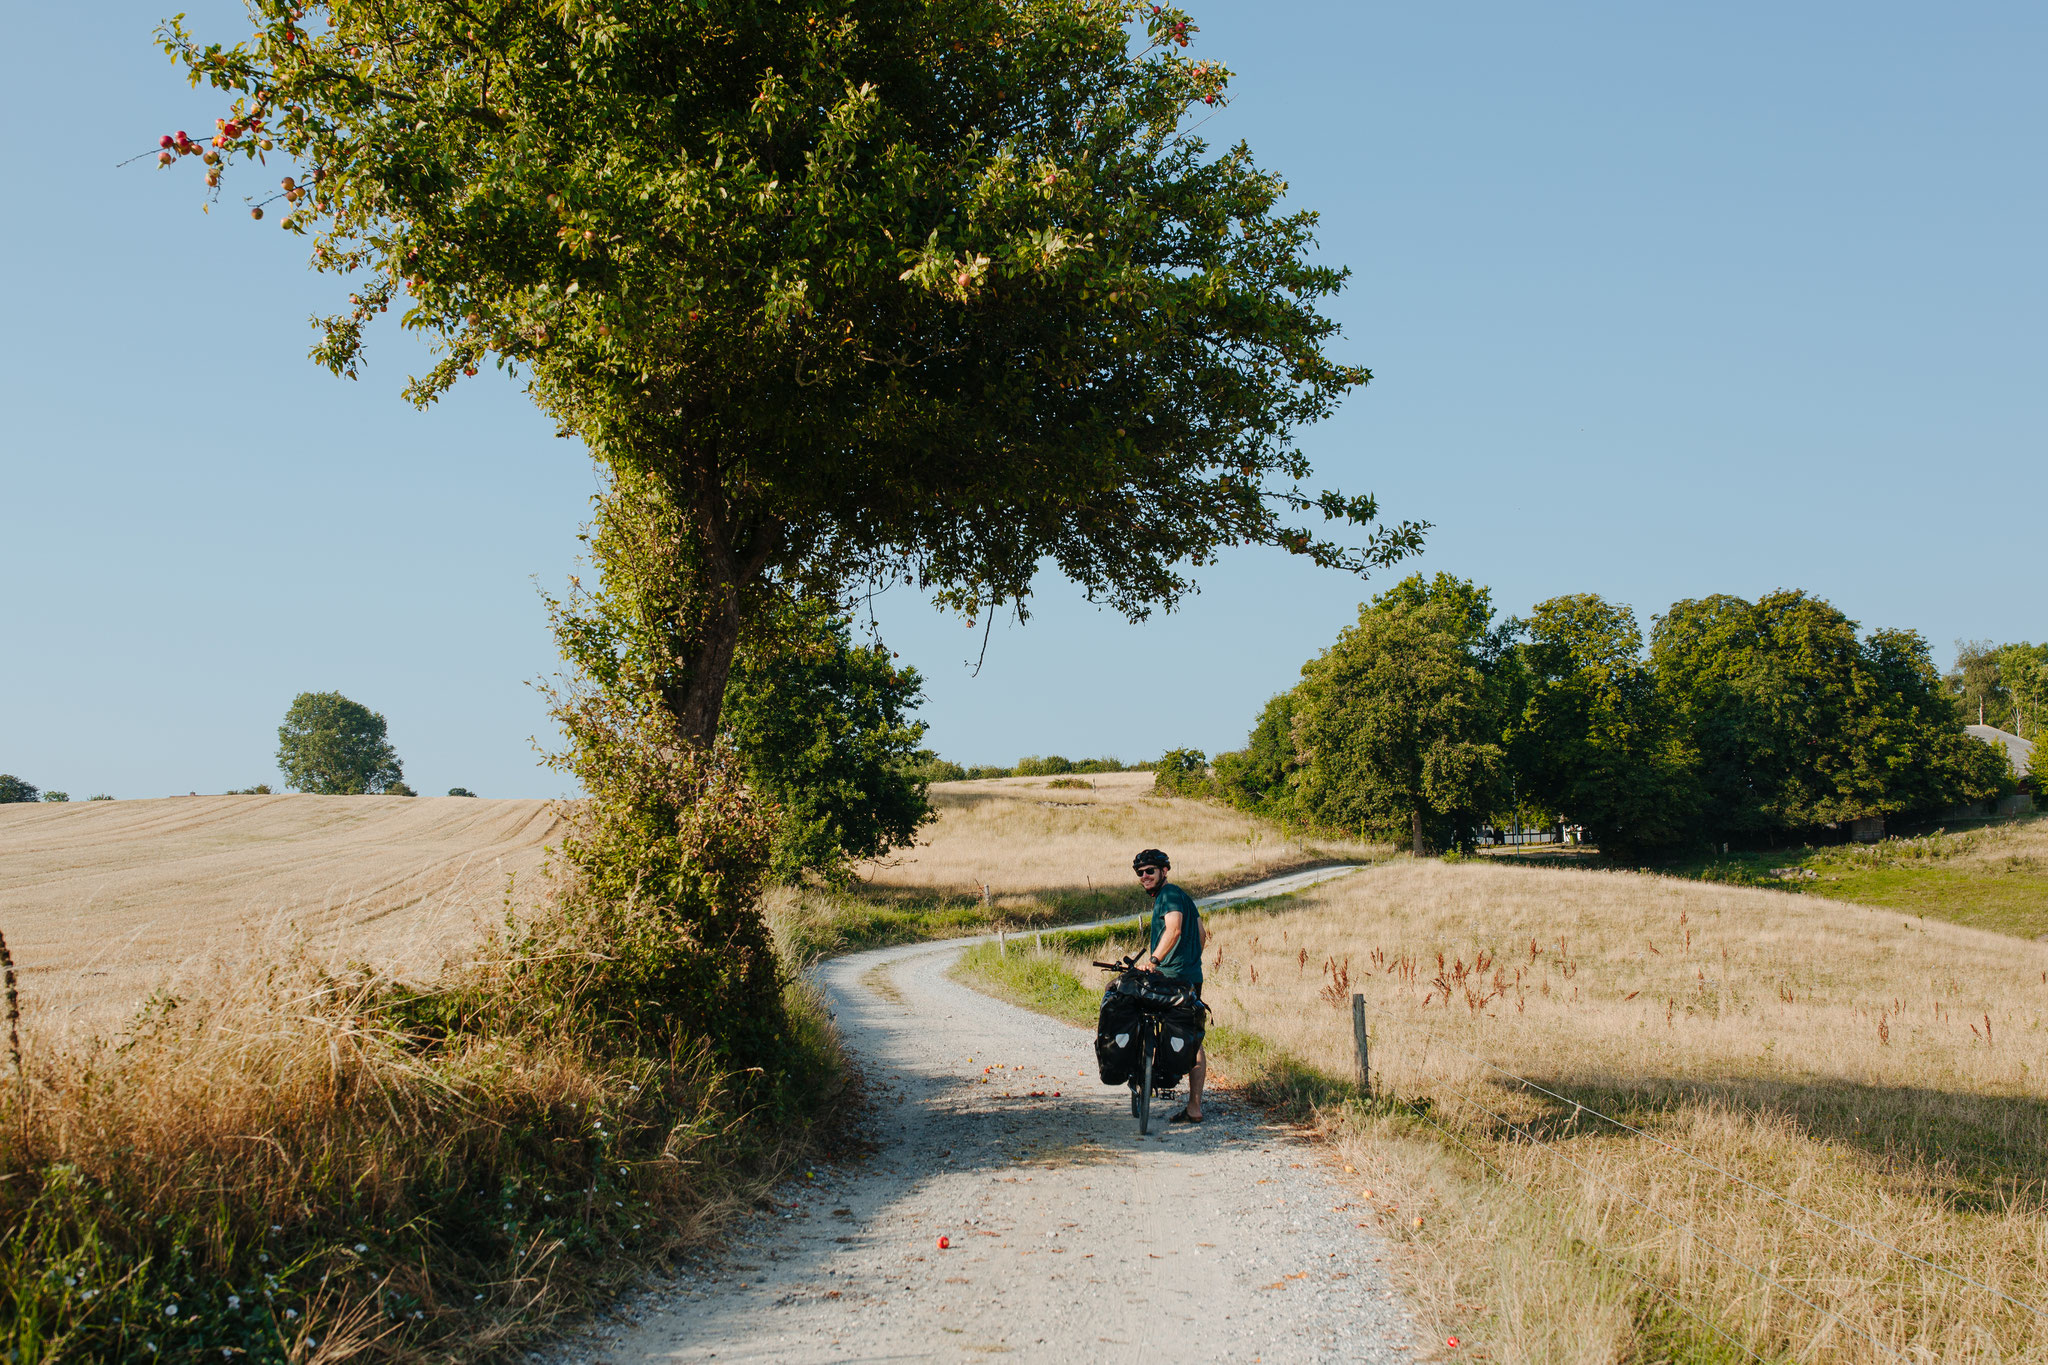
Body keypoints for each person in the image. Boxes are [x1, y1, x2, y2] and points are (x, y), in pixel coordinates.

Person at [1131, 847, 1206, 1124]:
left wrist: (1154, 960)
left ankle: (1143, 1069)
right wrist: (1190, 960)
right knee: (1192, 1036)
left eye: (1150, 870)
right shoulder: (1184, 896)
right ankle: (1194, 1107)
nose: (1144, 876)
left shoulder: (1169, 894)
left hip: (1169, 976)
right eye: (1140, 873)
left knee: (1135, 1006)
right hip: (1190, 976)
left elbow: (1174, 928)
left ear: (1164, 871)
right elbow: (1201, 934)